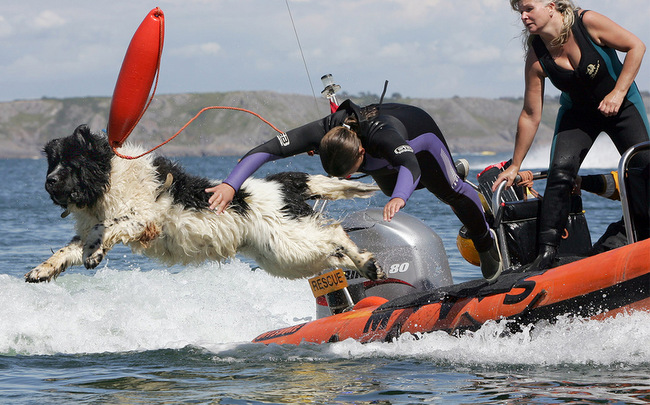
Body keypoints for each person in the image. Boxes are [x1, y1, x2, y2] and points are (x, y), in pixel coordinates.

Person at [206, 101, 503, 282]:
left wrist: (400, 197)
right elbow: (268, 149)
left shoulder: (381, 138)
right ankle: (439, 174)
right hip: (383, 160)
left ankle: (485, 241)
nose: (347, 179)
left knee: (447, 191)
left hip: (419, 140)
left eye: (349, 173)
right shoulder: (322, 131)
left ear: (361, 151)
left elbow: (409, 163)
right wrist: (231, 184)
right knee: (392, 185)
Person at [493, 0, 650, 271]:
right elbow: (530, 114)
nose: (524, 17)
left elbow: (636, 46)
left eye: (529, 8)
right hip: (578, 114)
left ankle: (641, 235)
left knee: (644, 168)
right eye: (520, 12)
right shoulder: (537, 55)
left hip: (622, 105)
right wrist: (515, 165)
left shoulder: (586, 23)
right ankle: (546, 254)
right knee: (560, 174)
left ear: (551, 6)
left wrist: (618, 92)